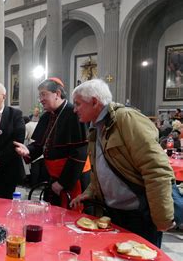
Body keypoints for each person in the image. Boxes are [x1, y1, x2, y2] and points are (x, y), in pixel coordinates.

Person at [69, 79, 175, 247]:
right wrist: (89, 192)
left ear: (94, 101)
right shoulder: (96, 127)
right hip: (114, 212)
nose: (74, 110)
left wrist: (163, 218)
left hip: (139, 214)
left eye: (78, 104)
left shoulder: (126, 118)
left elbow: (156, 169)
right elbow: (102, 168)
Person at [14, 78, 89, 208]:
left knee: (72, 218)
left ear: (57, 94)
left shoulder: (73, 113)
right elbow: (39, 145)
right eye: (40, 95)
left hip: (72, 178)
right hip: (54, 177)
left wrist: (63, 183)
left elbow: (79, 153)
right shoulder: (46, 116)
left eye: (44, 94)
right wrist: (28, 150)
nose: (40, 99)